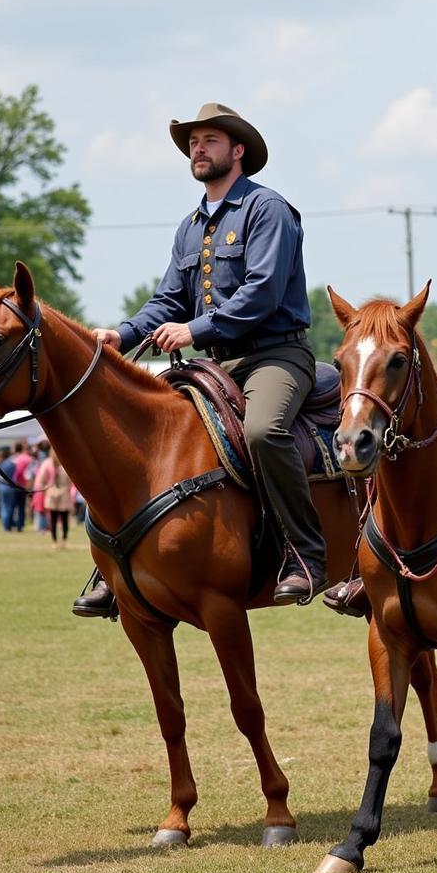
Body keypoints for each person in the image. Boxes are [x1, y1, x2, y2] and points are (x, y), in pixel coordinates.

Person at [75, 102, 326, 617]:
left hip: (275, 356)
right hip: (214, 366)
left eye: (209, 140)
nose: (198, 148)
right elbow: (168, 298)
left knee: (263, 431)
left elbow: (261, 292)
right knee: (140, 431)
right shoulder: (190, 227)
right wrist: (120, 336)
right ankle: (114, 566)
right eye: (193, 141)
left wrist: (194, 329)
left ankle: (306, 556)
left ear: (237, 151)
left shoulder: (267, 209)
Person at [40, 448, 73, 549]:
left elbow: (42, 479)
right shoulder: (65, 463)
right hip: (62, 493)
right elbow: (70, 479)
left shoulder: (47, 463)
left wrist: (46, 489)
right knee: (64, 519)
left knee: (54, 519)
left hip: (53, 492)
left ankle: (55, 541)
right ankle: (64, 540)